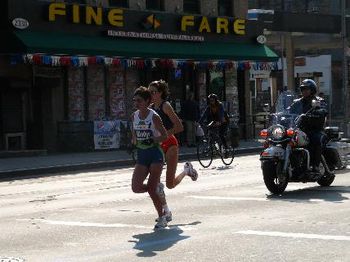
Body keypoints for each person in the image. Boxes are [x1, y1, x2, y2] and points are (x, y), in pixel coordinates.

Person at [148, 80, 198, 221]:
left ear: (161, 93)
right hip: (157, 146)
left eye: (154, 92)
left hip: (170, 144)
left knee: (169, 184)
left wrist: (164, 136)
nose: (151, 94)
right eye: (149, 92)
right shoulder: (150, 108)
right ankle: (166, 212)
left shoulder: (166, 106)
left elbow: (179, 126)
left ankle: (187, 171)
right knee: (156, 183)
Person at [130, 86, 169, 229]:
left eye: (139, 101)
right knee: (136, 187)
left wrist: (153, 139)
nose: (136, 104)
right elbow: (134, 136)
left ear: (147, 101)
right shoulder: (133, 116)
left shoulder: (154, 116)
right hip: (142, 155)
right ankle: (157, 189)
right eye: (134, 101)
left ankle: (162, 217)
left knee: (152, 189)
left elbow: (164, 136)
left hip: (155, 154)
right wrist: (134, 141)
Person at [288, 79, 328, 175]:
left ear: (312, 90)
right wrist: (279, 114)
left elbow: (323, 110)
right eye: (303, 89)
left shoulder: (318, 100)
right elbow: (288, 111)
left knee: (316, 140)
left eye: (307, 89)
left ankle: (315, 165)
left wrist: (319, 112)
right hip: (300, 129)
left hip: (315, 129)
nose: (304, 91)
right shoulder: (297, 102)